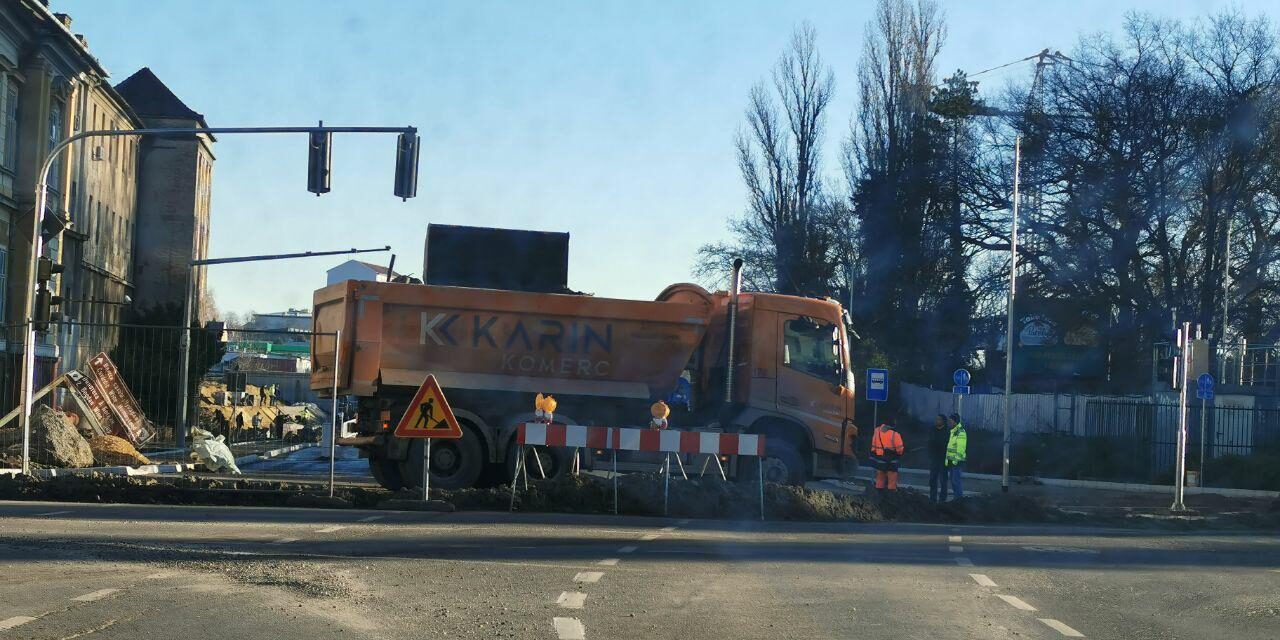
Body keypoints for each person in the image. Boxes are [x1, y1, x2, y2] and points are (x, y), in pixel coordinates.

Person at [870, 417, 905, 492]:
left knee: (880, 480)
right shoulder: (895, 435)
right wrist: (898, 453)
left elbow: (873, 446)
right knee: (891, 482)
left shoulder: (877, 431)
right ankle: (890, 497)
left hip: (880, 459)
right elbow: (900, 450)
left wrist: (875, 454)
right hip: (892, 461)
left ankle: (879, 495)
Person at [945, 413, 968, 500]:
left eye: (950, 421)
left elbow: (961, 448)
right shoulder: (953, 431)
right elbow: (950, 447)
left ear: (955, 422)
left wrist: (956, 460)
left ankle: (958, 499)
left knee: (956, 481)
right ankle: (957, 499)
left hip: (957, 462)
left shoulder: (960, 432)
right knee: (953, 481)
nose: (949, 423)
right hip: (952, 461)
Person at [928, 413, 950, 502]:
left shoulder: (947, 431)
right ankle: (932, 498)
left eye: (939, 419)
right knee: (932, 479)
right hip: (934, 458)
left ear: (943, 421)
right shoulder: (932, 430)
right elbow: (929, 442)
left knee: (943, 480)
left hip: (944, 458)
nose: (937, 421)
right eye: (936, 419)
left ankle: (942, 499)